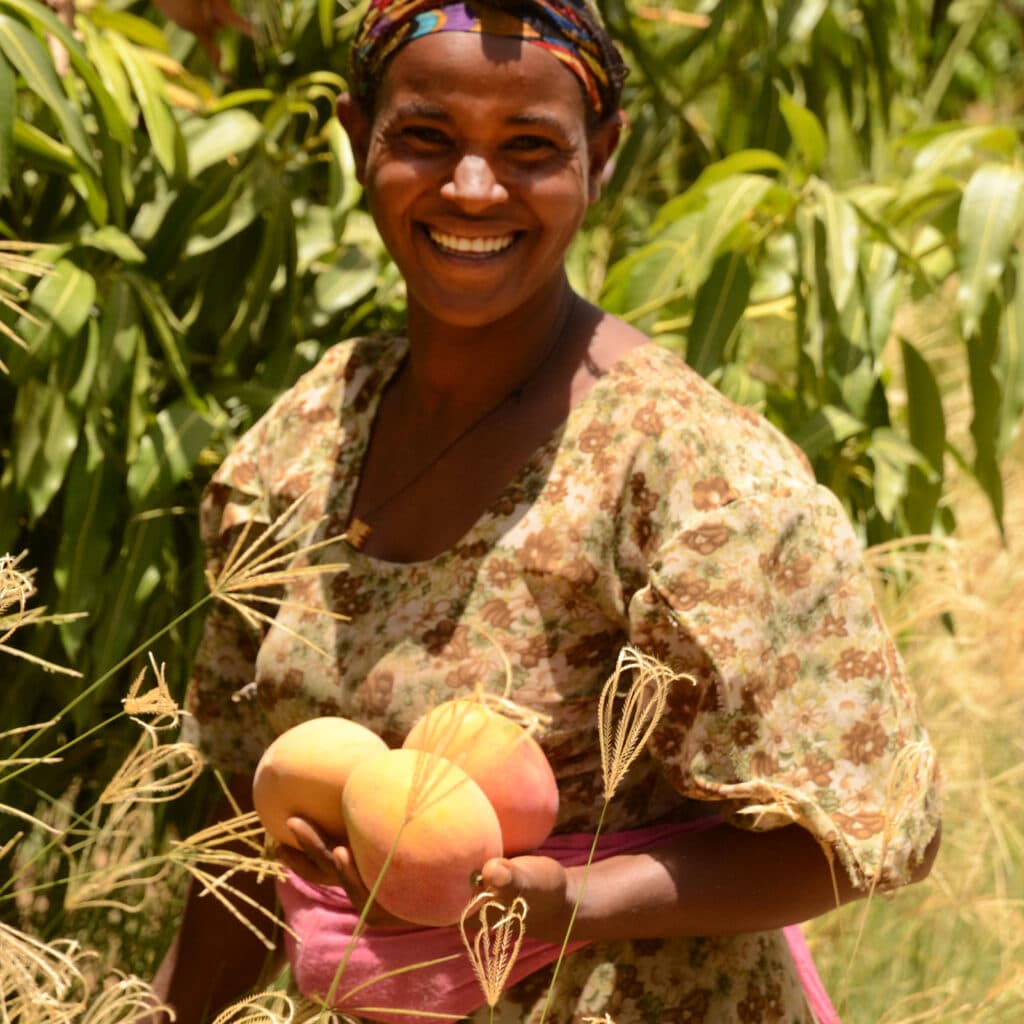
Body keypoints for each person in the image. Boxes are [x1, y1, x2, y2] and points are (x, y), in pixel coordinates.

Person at [146, 1, 941, 1020]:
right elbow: (235, 843)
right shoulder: (308, 437)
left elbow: (862, 832)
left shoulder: (692, 476)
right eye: (424, 138)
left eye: (529, 148)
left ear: (599, 157)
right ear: (356, 139)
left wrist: (581, 902)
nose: (472, 188)